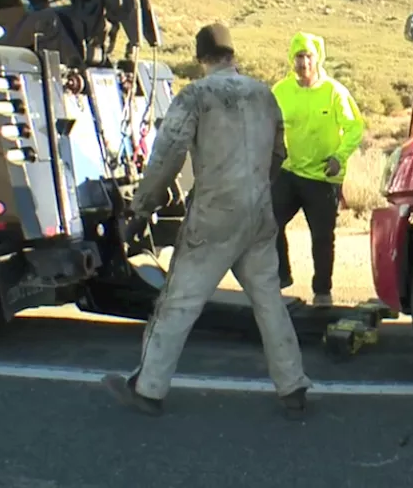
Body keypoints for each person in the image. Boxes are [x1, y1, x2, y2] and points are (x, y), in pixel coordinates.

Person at [101, 22, 313, 419]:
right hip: (260, 214)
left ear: (201, 59)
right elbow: (279, 153)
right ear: (233, 55)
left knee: (178, 302)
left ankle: (147, 389)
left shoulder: (197, 95)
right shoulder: (263, 94)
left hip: (215, 215)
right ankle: (293, 387)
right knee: (269, 303)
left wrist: (142, 207)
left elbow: (167, 157)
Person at [271, 31, 365, 308]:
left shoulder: (334, 92)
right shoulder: (281, 90)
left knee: (322, 238)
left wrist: (339, 156)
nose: (303, 62)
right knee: (268, 223)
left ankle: (322, 292)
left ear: (318, 58)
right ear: (292, 59)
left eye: (308, 56)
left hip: (323, 176)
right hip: (290, 171)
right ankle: (280, 277)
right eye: (299, 56)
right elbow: (267, 124)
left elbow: (354, 127)